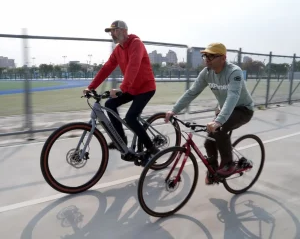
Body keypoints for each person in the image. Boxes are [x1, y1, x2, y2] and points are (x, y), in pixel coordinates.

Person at [164, 42, 255, 184]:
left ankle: (228, 163)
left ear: (223, 58)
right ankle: (213, 172)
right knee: (208, 142)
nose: (207, 59)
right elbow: (192, 92)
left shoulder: (234, 72)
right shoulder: (207, 72)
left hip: (243, 109)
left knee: (219, 130)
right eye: (205, 55)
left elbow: (233, 96)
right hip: (225, 110)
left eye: (211, 56)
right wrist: (174, 110)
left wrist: (219, 121)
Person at [83, 20, 158, 164]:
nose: (112, 34)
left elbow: (133, 66)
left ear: (124, 31)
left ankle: (152, 148)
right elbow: (107, 68)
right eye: (111, 31)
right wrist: (91, 87)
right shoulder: (118, 50)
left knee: (131, 118)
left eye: (114, 30)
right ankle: (121, 139)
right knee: (110, 104)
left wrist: (122, 88)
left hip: (145, 88)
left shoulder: (136, 43)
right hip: (131, 88)